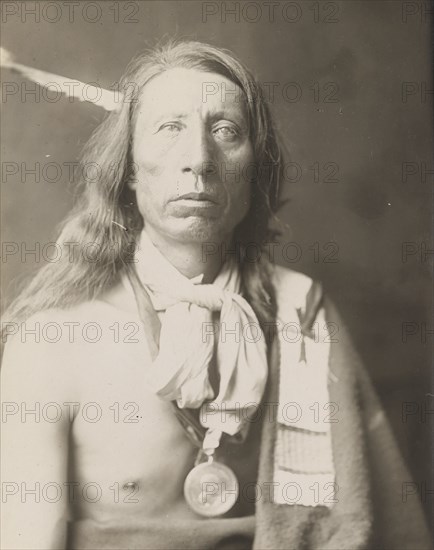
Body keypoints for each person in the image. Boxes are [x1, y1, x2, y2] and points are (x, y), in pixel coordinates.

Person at [1, 40, 431, 550]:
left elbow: (392, 533)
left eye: (226, 131)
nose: (199, 160)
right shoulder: (53, 340)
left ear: (253, 170)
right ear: (130, 170)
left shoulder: (303, 313)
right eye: (169, 128)